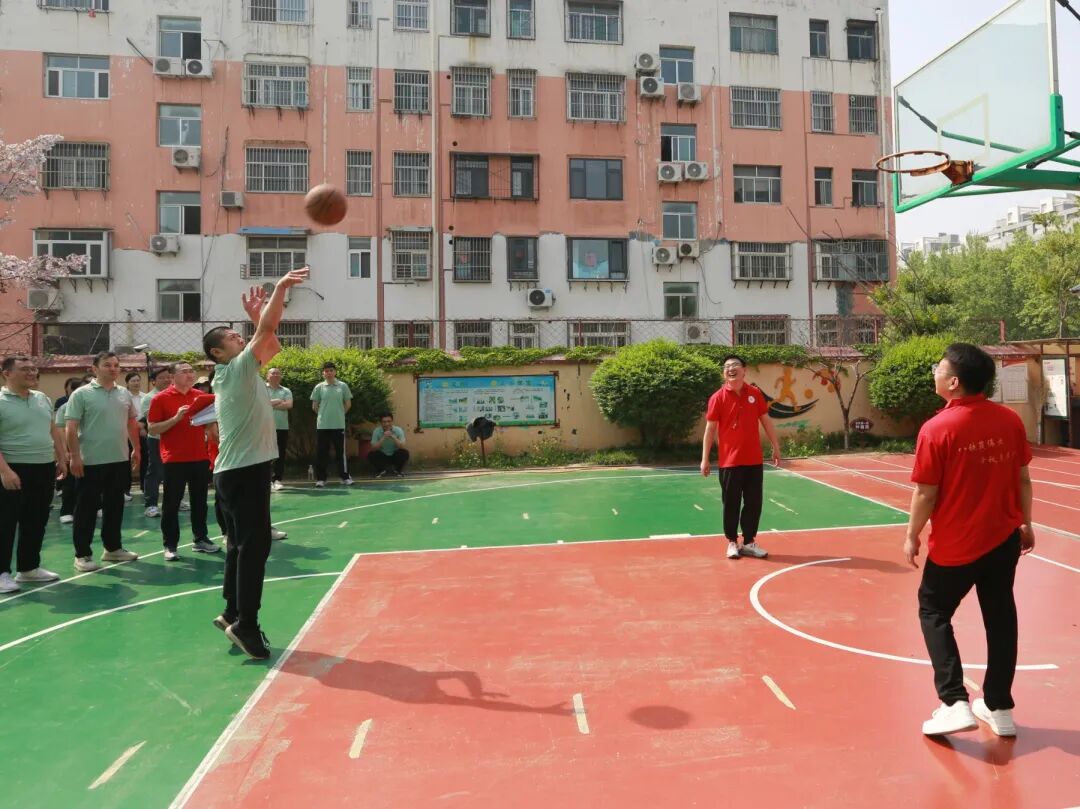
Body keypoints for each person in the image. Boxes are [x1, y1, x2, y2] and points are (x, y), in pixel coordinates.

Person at [905, 343, 1034, 738]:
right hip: (1003, 539)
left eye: (939, 368)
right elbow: (1023, 479)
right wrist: (1026, 524)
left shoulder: (937, 429)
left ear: (954, 382)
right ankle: (999, 706)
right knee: (1001, 617)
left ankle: (953, 701)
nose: (935, 371)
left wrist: (911, 535)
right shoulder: (1009, 420)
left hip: (957, 545)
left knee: (933, 611)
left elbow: (925, 493)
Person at [203, 267, 308, 660]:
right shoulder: (235, 369)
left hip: (235, 471)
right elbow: (269, 330)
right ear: (217, 352)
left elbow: (271, 344)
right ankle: (246, 625)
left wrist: (256, 318)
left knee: (239, 545)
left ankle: (231, 612)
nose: (240, 337)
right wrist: (279, 288)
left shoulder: (238, 372)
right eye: (232, 337)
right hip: (244, 471)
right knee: (255, 547)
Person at [65, 351, 141, 572]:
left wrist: (136, 448)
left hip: (118, 459)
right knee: (86, 509)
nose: (113, 369)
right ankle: (82, 554)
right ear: (95, 368)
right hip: (90, 461)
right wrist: (75, 456)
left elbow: (131, 422)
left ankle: (113, 548)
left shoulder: (124, 393)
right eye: (107, 365)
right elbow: (71, 428)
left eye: (116, 365)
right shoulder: (81, 394)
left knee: (115, 506)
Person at [700, 355, 781, 561]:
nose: (731, 368)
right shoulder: (717, 398)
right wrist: (705, 459)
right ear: (724, 373)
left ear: (744, 370)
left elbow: (766, 420)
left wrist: (775, 446)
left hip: (754, 460)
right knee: (731, 504)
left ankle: (749, 542)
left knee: (754, 503)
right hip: (730, 462)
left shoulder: (754, 394)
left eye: (735, 365)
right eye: (727, 366)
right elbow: (710, 429)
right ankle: (732, 542)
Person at [0, 356, 69, 592]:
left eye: (33, 369)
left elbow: (52, 429)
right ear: (7, 373)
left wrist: (61, 457)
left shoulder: (42, 398)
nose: (31, 373)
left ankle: (28, 568)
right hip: (12, 468)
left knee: (36, 519)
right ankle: (2, 572)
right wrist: (5, 471)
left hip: (43, 467)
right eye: (24, 369)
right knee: (5, 522)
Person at [148, 361, 218, 561]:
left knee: (200, 501)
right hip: (174, 458)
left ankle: (201, 539)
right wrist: (176, 418)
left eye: (191, 371)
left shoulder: (201, 397)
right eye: (184, 371)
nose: (190, 374)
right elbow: (152, 428)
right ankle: (170, 545)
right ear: (172, 376)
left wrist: (211, 427)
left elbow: (209, 425)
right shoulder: (160, 398)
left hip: (199, 456)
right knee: (171, 503)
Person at [311, 361, 353, 488]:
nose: (328, 373)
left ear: (335, 372)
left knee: (340, 453)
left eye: (331, 370)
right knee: (322, 453)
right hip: (322, 426)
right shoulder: (319, 387)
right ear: (323, 373)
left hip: (338, 425)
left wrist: (339, 414)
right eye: (326, 371)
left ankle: (345, 477)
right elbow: (314, 406)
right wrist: (323, 416)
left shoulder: (343, 386)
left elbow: (348, 404)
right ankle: (321, 479)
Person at [54, 377, 85, 525]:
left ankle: (96, 506)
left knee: (92, 480)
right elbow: (60, 429)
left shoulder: (91, 403)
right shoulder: (64, 407)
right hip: (72, 449)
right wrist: (65, 451)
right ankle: (66, 511)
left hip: (89, 449)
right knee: (70, 482)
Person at [142, 366, 172, 518]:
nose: (167, 380)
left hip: (174, 440)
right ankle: (151, 505)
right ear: (153, 381)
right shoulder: (149, 398)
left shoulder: (175, 394)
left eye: (168, 377)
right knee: (155, 471)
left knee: (173, 472)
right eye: (162, 378)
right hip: (157, 440)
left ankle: (175, 500)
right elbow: (153, 422)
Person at [266, 367, 293, 491]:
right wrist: (278, 401)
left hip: (282, 427)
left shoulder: (286, 390)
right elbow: (260, 404)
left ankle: (277, 479)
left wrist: (269, 404)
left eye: (278, 373)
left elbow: (289, 405)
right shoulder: (262, 389)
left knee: (280, 454)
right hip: (264, 427)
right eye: (273, 373)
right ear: (267, 376)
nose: (276, 375)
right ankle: (266, 480)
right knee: (265, 454)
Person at [125, 371, 146, 501]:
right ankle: (125, 489)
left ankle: (145, 487)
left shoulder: (145, 397)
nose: (136, 383)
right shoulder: (123, 397)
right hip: (126, 433)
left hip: (143, 432)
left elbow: (149, 414)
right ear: (127, 383)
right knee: (126, 461)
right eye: (133, 381)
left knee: (145, 460)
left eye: (138, 380)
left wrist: (143, 426)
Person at [368, 413, 409, 478]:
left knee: (404, 453)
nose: (387, 424)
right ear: (381, 423)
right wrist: (383, 437)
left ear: (392, 421)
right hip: (383, 456)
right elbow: (373, 448)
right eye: (384, 422)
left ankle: (397, 470)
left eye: (389, 421)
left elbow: (403, 446)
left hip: (394, 455)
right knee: (371, 454)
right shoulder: (377, 431)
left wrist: (393, 436)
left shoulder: (398, 430)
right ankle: (382, 470)